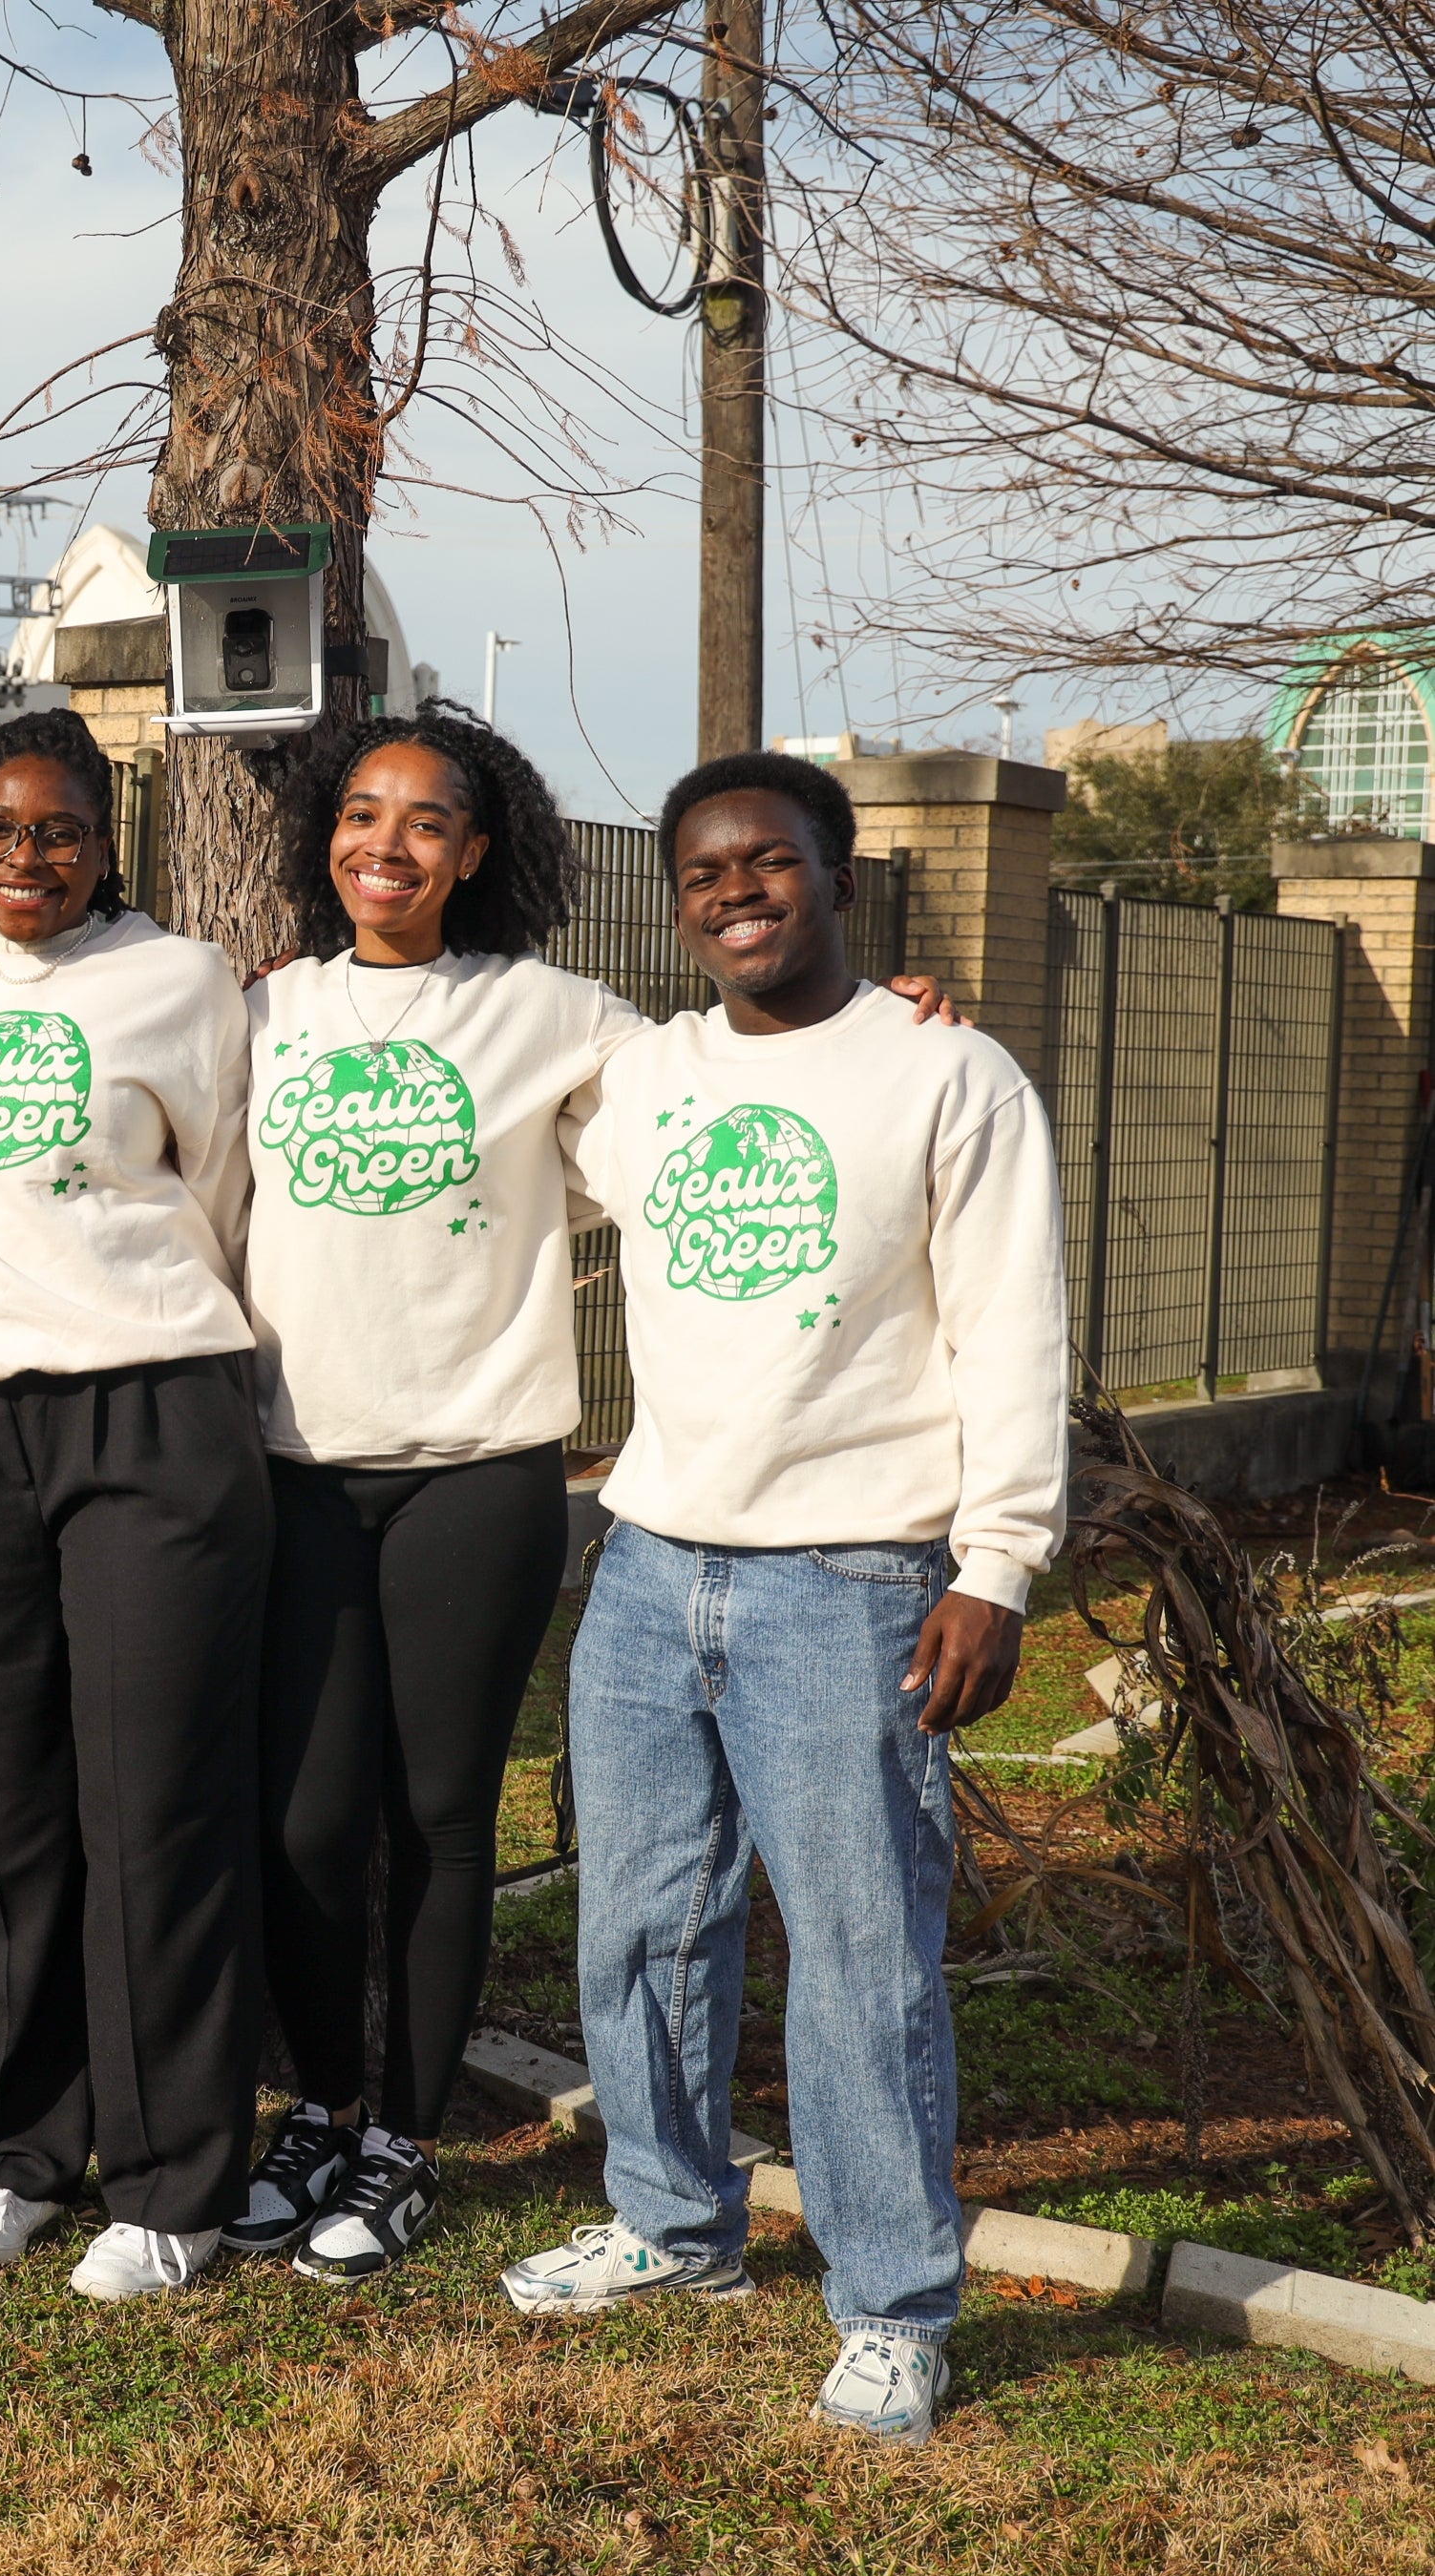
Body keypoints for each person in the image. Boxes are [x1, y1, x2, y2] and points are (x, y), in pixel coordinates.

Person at [226, 706, 965, 2283]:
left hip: (477, 1477)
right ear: (324, 838)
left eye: (427, 821)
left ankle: (401, 2144)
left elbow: (745, 1084)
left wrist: (891, 1016)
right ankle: (318, 2107)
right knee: (301, 1821)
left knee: (435, 1819)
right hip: (292, 1466)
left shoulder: (566, 1019)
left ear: (477, 852)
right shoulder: (255, 1013)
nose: (388, 845)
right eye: (362, 814)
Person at [496, 751, 1062, 2453]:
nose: (734, 890)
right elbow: (456, 1042)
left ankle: (892, 2299)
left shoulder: (947, 1072)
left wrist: (998, 1565)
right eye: (701, 872)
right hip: (651, 1558)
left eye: (769, 862)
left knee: (861, 1953)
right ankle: (673, 2225)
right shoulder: (639, 1075)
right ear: (674, 899)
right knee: (640, 1920)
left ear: (838, 877)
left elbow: (1012, 1324)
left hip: (857, 1577)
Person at [0, 705, 270, 2302]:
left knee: (149, 1807)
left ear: (108, 842)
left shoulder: (183, 982)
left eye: (53, 831)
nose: (17, 857)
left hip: (147, 1412)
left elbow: (226, 1188)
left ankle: (174, 2177)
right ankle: (19, 2149)